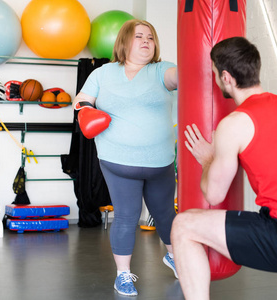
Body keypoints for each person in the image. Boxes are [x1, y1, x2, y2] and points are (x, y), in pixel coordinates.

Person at [171, 36, 277, 300]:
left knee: (183, 224)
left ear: (226, 78)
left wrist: (208, 160)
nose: (217, 81)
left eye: (216, 75)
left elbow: (214, 195)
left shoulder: (235, 122)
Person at [73, 19, 178, 296]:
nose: (146, 41)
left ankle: (174, 257)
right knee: (126, 217)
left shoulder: (161, 70)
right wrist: (86, 110)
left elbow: (180, 77)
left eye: (150, 37)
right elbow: (81, 99)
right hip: (118, 160)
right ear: (123, 42)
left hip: (160, 162)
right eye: (138, 36)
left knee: (166, 215)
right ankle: (123, 275)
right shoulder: (103, 74)